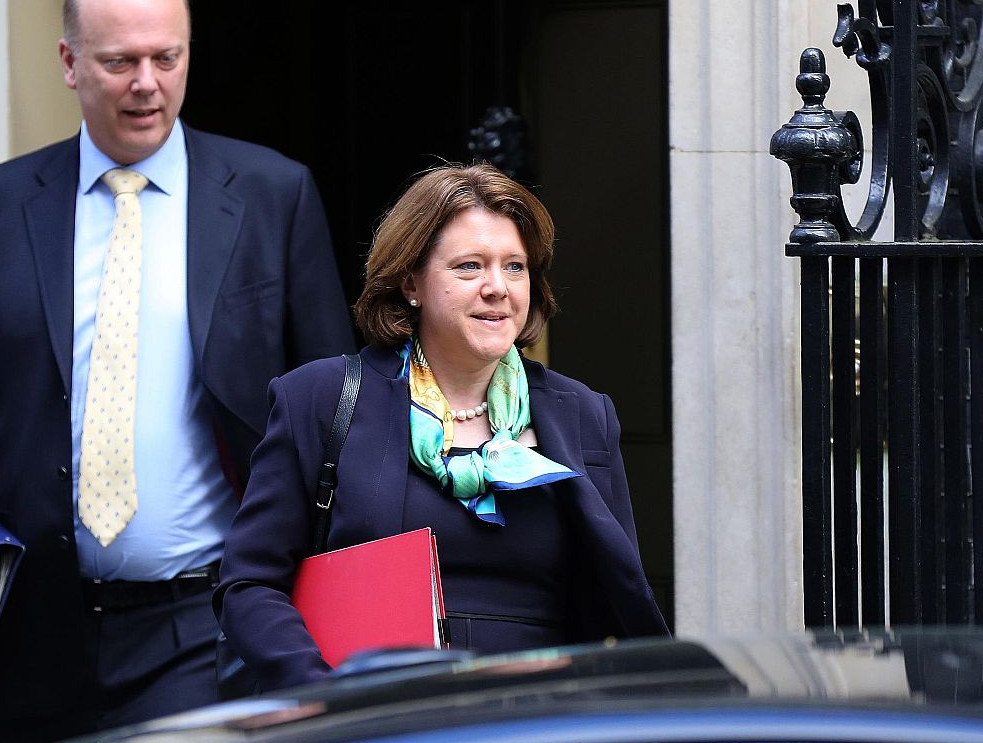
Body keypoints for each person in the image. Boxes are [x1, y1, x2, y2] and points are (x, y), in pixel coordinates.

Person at [0, 0, 354, 743]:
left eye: (167, 58)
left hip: (202, 629)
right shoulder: (0, 207)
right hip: (33, 633)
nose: (146, 83)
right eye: (120, 62)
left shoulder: (272, 196)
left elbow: (336, 419)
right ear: (70, 63)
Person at [215, 164, 669, 691]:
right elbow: (249, 585)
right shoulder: (318, 399)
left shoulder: (584, 414)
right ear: (411, 282)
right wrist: (327, 695)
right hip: (381, 716)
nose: (497, 287)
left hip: (538, 720)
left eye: (515, 267)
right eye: (469, 266)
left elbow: (618, 600)